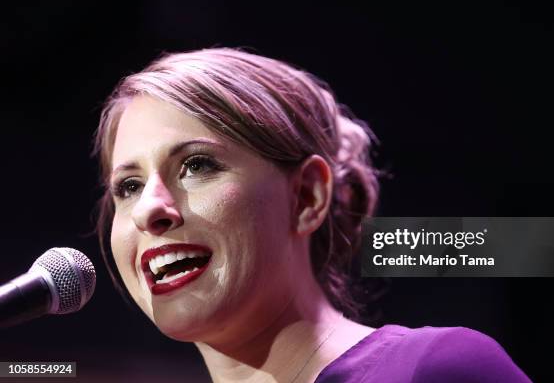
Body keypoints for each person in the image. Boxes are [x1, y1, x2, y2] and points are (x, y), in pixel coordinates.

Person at [93, 47, 531, 382]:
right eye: (129, 187)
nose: (149, 209)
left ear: (307, 196)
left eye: (198, 165)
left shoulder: (430, 370)